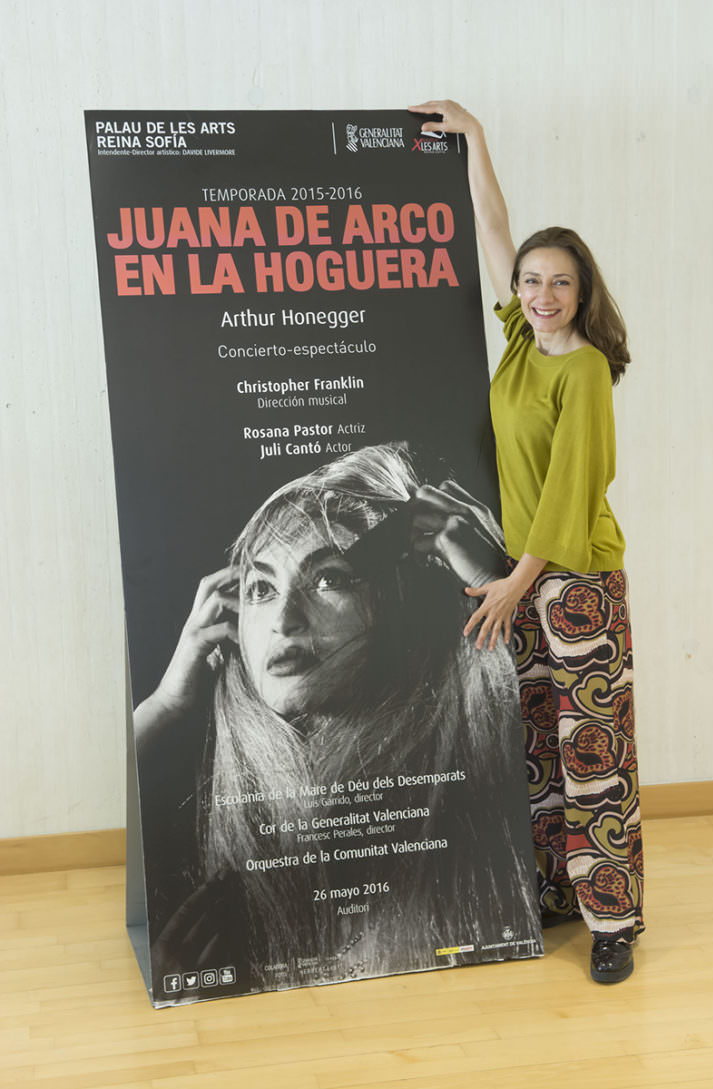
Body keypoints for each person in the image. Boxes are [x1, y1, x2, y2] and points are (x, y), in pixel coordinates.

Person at [134, 443, 542, 998]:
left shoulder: (477, 779)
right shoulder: (201, 820)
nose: (283, 619)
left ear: (400, 598)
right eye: (260, 588)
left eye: (329, 579)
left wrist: (497, 582)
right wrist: (165, 704)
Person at [409, 101, 644, 984]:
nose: (542, 295)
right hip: (523, 578)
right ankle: (558, 896)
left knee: (593, 757)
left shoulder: (581, 368)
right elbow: (493, 227)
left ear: (584, 296)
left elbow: (571, 493)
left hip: (576, 578)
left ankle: (613, 920)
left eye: (560, 284)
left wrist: (517, 583)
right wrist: (475, 139)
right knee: (540, 750)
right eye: (532, 281)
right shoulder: (520, 348)